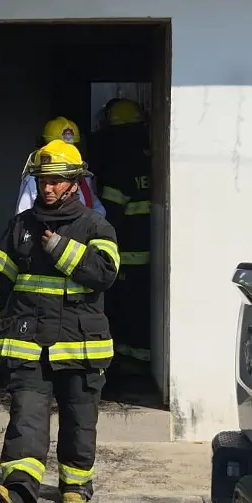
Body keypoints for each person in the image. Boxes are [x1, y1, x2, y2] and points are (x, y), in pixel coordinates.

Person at [0, 139, 120, 503]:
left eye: (55, 181)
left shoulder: (96, 225)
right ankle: (18, 491)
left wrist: (59, 248)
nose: (46, 188)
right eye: (41, 181)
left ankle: (75, 482)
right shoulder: (20, 227)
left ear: (72, 183)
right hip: (28, 343)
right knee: (26, 417)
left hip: (79, 347)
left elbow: (104, 274)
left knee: (79, 419)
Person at [95, 99, 153, 366]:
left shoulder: (120, 168)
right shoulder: (147, 161)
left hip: (125, 256)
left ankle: (127, 364)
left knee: (125, 312)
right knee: (141, 311)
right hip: (147, 255)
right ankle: (138, 361)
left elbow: (108, 218)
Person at [15, 117, 106, 217]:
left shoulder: (82, 176)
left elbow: (95, 206)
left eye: (70, 147)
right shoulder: (35, 179)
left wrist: (87, 225)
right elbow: (23, 218)